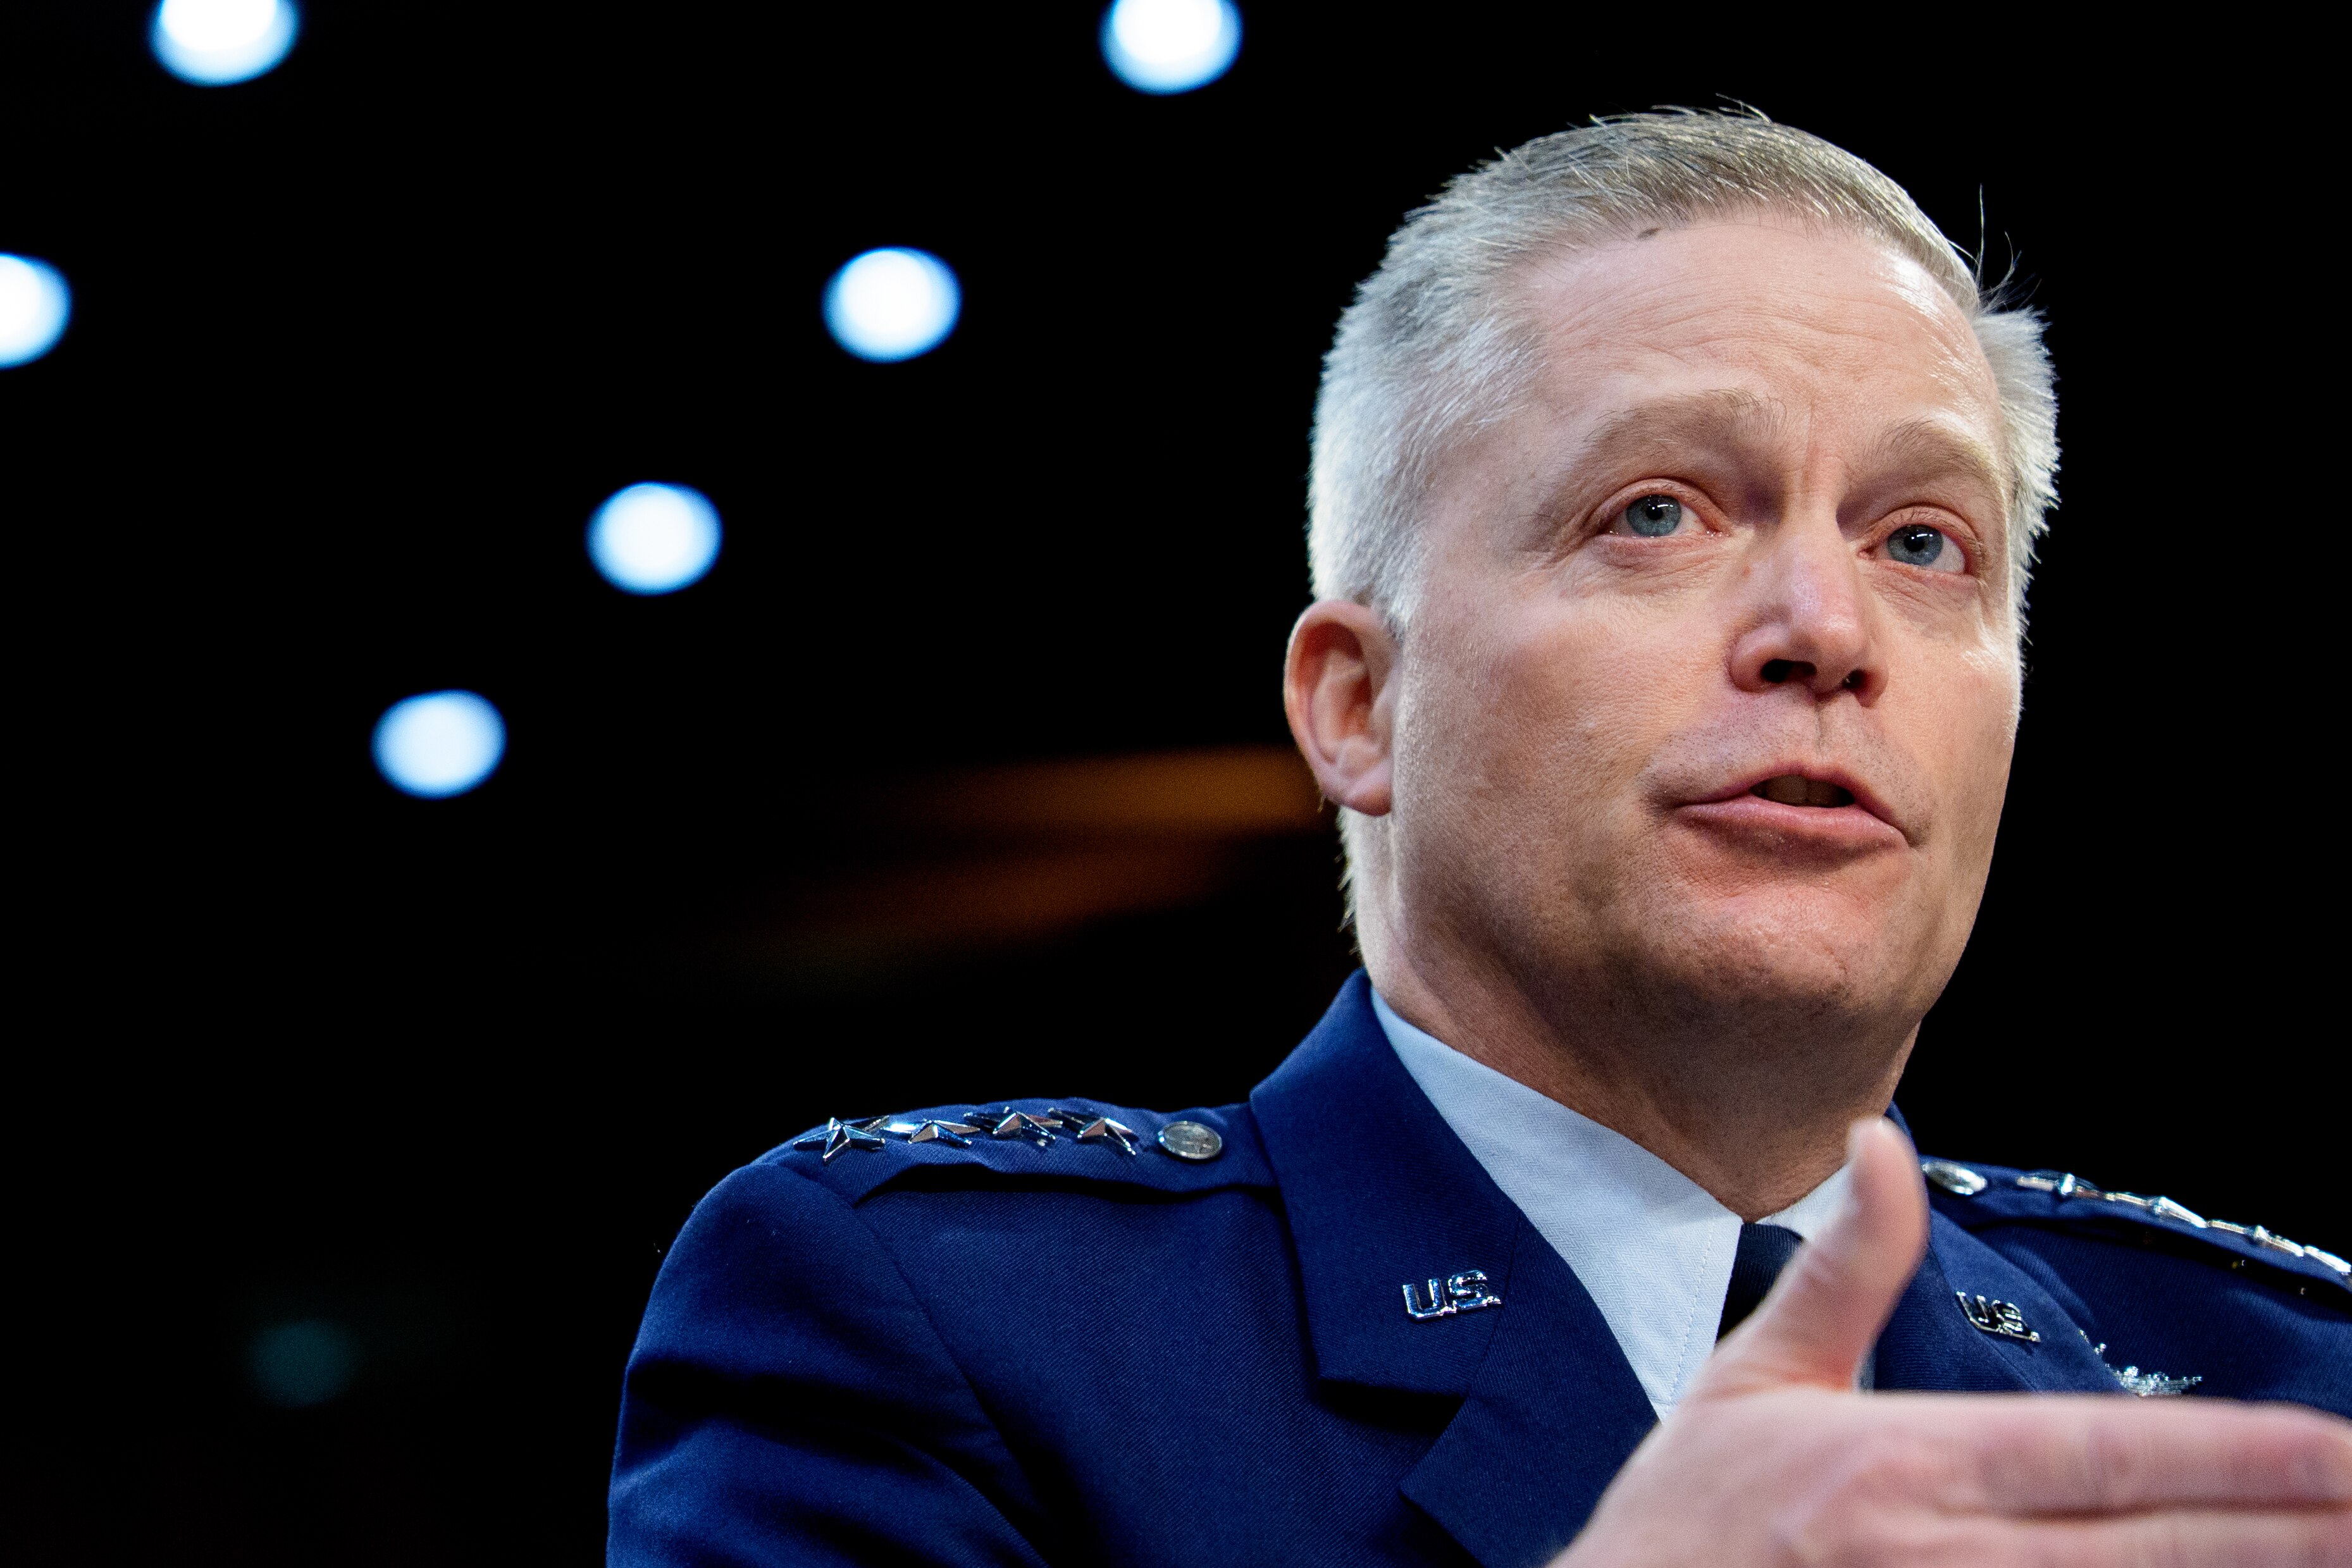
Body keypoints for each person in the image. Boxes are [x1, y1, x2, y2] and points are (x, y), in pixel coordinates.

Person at [606, 114, 2352, 1567]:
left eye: (1922, 542)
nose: (1828, 627)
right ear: (1358, 706)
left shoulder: (2285, 1389)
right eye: (1655, 512)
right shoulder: (941, 1318)